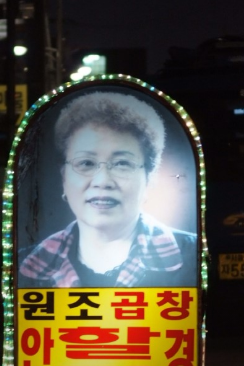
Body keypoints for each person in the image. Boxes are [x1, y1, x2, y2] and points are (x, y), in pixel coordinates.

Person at [18, 91, 197, 288]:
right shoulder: (26, 265)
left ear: (149, 178)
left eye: (122, 163)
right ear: (64, 178)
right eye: (86, 163)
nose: (102, 181)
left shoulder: (195, 257)